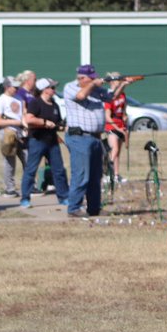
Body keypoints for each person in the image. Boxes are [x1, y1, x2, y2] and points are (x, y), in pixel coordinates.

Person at [62, 64, 108, 219]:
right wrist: (94, 84)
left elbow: (110, 96)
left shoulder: (94, 90)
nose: (95, 80)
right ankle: (74, 207)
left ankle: (94, 208)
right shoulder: (70, 87)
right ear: (82, 78)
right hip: (79, 137)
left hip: (95, 137)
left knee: (96, 176)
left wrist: (122, 84)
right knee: (81, 174)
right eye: (91, 78)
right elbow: (81, 96)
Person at [19, 78, 69, 208]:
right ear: (44, 89)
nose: (54, 90)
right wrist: (44, 122)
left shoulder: (55, 105)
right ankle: (25, 198)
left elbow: (57, 123)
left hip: (52, 142)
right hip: (37, 141)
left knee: (59, 170)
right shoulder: (35, 103)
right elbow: (29, 119)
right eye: (52, 87)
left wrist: (63, 127)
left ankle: (64, 197)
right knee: (31, 170)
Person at [0, 76, 25, 197]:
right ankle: (9, 188)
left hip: (21, 133)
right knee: (9, 161)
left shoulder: (18, 98)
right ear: (7, 87)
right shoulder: (2, 100)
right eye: (14, 86)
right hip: (8, 133)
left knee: (27, 158)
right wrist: (17, 123)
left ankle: (30, 186)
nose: (16, 88)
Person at [103, 72, 132, 183]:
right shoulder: (108, 96)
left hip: (121, 125)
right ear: (112, 82)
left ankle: (116, 174)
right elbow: (107, 116)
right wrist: (116, 127)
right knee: (113, 149)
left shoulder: (123, 95)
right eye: (118, 80)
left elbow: (123, 110)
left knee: (118, 151)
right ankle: (106, 173)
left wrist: (125, 118)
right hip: (112, 126)